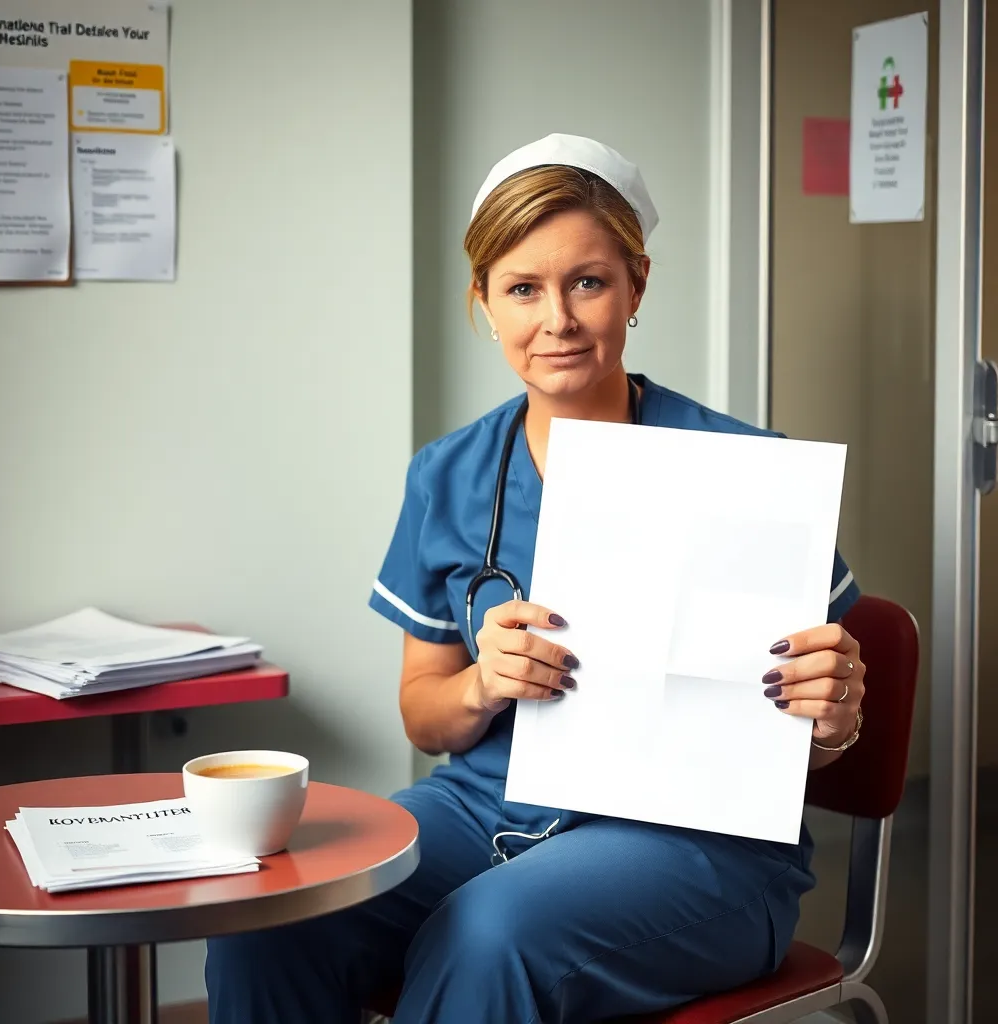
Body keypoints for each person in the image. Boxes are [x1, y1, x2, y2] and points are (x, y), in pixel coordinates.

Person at [205, 134, 866, 1024]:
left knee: (486, 933)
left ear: (636, 284)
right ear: (483, 301)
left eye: (587, 282)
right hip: (485, 806)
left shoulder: (748, 470)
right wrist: (480, 684)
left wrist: (834, 718)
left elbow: (815, 739)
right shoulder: (448, 475)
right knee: (272, 914)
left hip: (699, 844)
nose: (556, 318)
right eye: (522, 288)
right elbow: (422, 708)